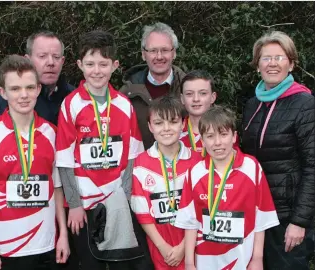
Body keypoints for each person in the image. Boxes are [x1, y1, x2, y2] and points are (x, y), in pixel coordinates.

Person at [55, 30, 154, 270]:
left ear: (115, 65)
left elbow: (133, 157)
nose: (96, 70)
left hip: (117, 202)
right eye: (90, 64)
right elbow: (65, 160)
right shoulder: (71, 104)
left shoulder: (123, 104)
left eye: (103, 64)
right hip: (84, 206)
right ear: (80, 65)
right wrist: (74, 204)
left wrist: (126, 201)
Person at [0, 55, 70, 270]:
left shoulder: (51, 132)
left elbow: (57, 188)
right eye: (15, 89)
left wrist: (63, 235)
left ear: (38, 89)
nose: (24, 95)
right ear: (3, 93)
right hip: (5, 247)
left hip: (46, 245)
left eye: (29, 87)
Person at [241, 31, 315, 269]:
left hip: (288, 218)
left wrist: (299, 222)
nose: (272, 63)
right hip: (258, 214)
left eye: (279, 57)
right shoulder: (252, 104)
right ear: (257, 65)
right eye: (266, 58)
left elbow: (313, 165)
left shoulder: (305, 104)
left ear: (291, 63)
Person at [175, 105, 279, 270]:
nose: (217, 142)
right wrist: (189, 262)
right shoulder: (195, 172)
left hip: (242, 258)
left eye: (223, 135)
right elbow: (190, 222)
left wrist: (257, 258)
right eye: (210, 136)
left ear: (234, 136)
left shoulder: (251, 167)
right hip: (206, 261)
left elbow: (262, 217)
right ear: (202, 140)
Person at [131, 95, 200, 270]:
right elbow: (142, 212)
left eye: (173, 121)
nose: (166, 128)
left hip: (194, 244)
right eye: (159, 123)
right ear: (150, 127)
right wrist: (163, 247)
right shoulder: (141, 163)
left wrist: (183, 247)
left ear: (183, 124)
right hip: (160, 246)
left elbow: (203, 207)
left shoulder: (198, 162)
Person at [0, 30, 75, 138]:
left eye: (56, 57)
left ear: (62, 61)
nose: (50, 62)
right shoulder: (0, 105)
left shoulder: (76, 100)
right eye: (42, 56)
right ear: (28, 59)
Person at [120, 22, 186, 150]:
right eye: (153, 50)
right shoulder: (127, 93)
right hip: (139, 167)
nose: (159, 56)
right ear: (144, 54)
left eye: (165, 50)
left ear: (174, 53)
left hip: (184, 166)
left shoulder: (189, 90)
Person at [179, 70, 217, 155]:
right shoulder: (174, 132)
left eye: (203, 93)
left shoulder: (224, 131)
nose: (196, 99)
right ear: (182, 99)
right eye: (189, 94)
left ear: (212, 97)